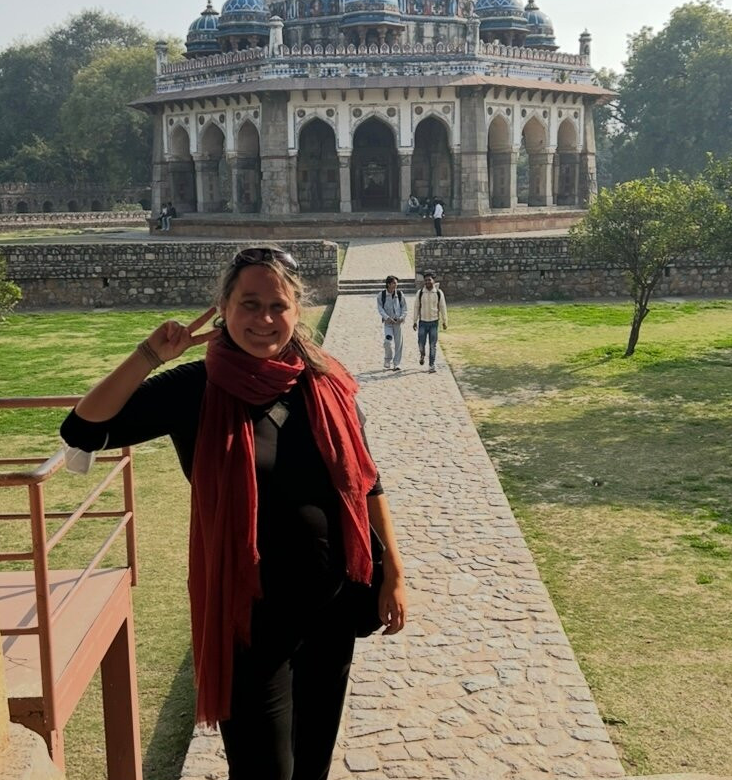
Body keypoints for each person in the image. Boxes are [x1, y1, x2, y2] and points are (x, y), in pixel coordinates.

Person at [59, 246, 407, 780]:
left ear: (297, 310)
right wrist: (149, 355)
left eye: (277, 305)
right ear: (223, 308)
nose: (264, 319)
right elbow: (83, 429)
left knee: (311, 767)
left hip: (331, 609)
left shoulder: (325, 382)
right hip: (250, 621)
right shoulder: (197, 388)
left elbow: (366, 482)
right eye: (249, 304)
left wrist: (395, 574)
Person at [413, 271, 448, 373]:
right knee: (421, 343)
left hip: (434, 322)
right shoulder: (420, 293)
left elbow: (443, 307)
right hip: (423, 322)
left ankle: (431, 365)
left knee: (433, 345)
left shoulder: (438, 293)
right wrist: (414, 321)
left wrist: (445, 321)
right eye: (426, 280)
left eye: (429, 280)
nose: (427, 282)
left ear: (433, 280)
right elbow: (416, 307)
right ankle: (422, 354)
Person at [376, 275, 407, 370]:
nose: (395, 285)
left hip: (398, 323)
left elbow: (404, 308)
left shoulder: (400, 294)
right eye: (394, 283)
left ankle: (397, 363)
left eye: (396, 283)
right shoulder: (381, 295)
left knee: (398, 343)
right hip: (388, 323)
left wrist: (401, 317)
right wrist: (387, 317)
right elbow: (380, 309)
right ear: (388, 284)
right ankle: (387, 359)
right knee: (387, 342)